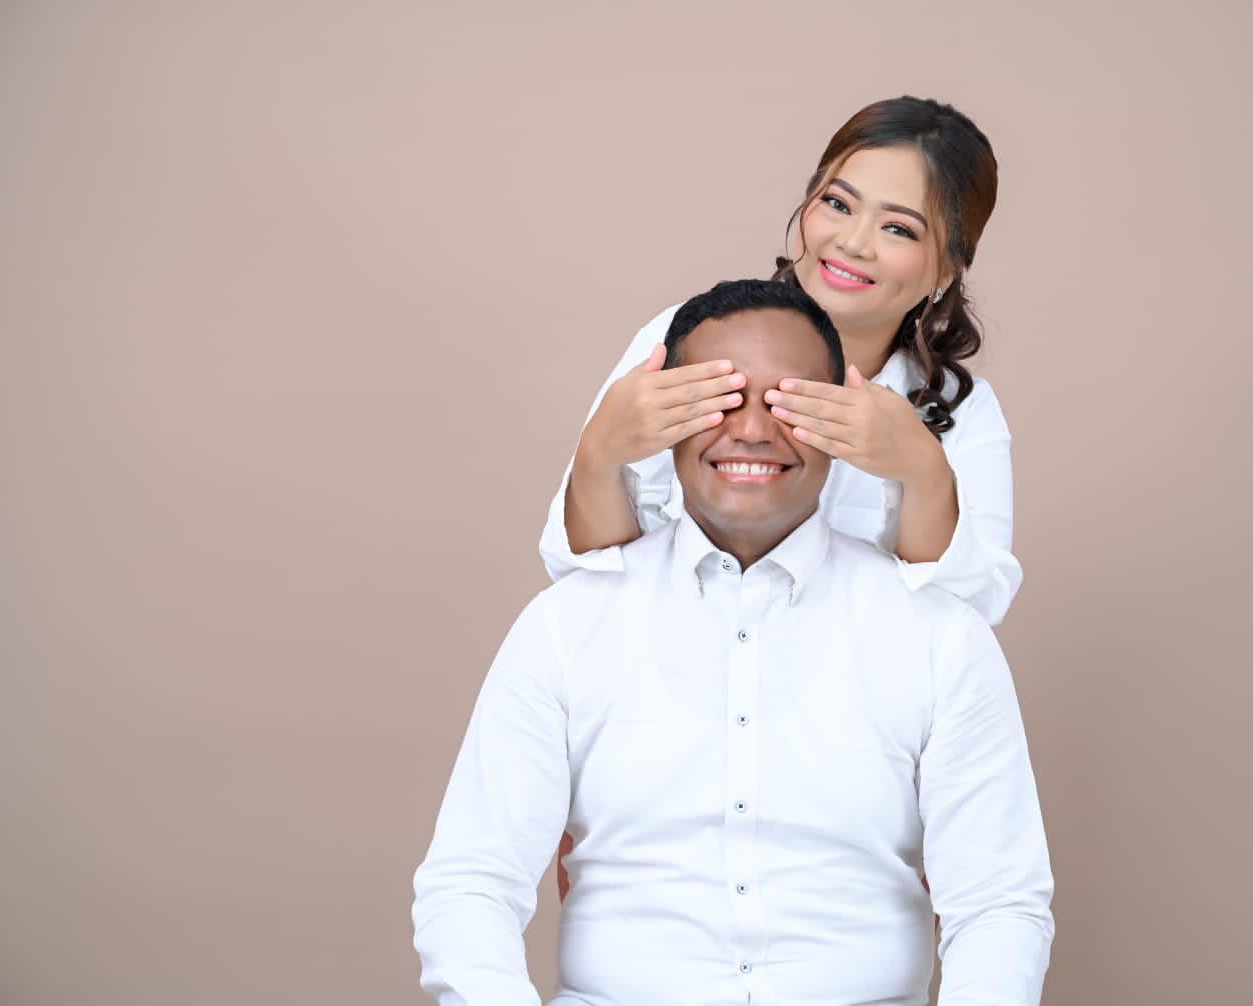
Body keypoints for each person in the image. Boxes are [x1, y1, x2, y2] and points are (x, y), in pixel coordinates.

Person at [413, 280, 1054, 1006]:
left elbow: (999, 905)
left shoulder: (941, 638)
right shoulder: (564, 627)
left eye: (788, 402)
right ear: (662, 418)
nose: (751, 430)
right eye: (719, 398)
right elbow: (469, 884)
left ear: (840, 417)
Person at [540, 95, 1019, 626]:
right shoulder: (684, 340)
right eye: (838, 204)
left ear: (947, 271)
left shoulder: (962, 413)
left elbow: (969, 621)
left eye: (898, 229)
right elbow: (585, 579)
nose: (853, 243)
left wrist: (923, 473)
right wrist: (599, 454)